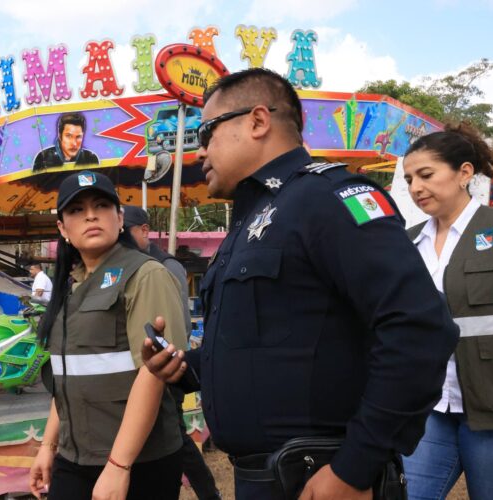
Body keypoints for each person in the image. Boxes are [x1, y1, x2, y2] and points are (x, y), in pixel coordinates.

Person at [141, 67, 459, 499]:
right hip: (264, 478)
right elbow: (276, 345)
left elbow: (420, 329)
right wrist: (185, 368)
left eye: (206, 133)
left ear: (257, 121)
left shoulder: (328, 198)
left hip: (322, 477)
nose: (200, 152)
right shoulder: (252, 220)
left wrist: (355, 468)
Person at [28, 171, 187, 500]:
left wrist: (119, 465)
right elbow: (69, 375)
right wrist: (48, 445)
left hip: (139, 461)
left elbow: (154, 373)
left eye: (101, 205)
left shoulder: (145, 275)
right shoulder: (72, 286)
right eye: (76, 210)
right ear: (63, 229)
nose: (90, 215)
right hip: (76, 457)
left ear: (119, 218)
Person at [402, 122, 493, 500]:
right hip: (429, 408)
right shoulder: (407, 242)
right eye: (409, 179)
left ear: (464, 173)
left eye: (426, 175)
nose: (416, 187)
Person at [123, 205, 221, 500]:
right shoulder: (126, 265)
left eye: (125, 232)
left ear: (144, 231)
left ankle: (207, 493)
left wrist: (167, 364)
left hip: (166, 369)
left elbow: (179, 324)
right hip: (141, 370)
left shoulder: (164, 267)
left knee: (175, 436)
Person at [33, 112, 100, 171]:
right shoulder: (43, 157)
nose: (74, 143)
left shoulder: (91, 158)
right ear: (60, 135)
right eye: (69, 136)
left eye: (78, 137)